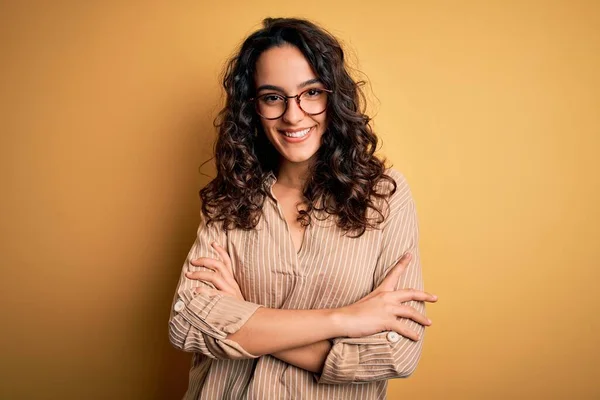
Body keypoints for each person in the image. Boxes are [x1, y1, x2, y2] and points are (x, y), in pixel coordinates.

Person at [168, 17, 438, 400]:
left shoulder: (385, 197)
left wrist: (243, 313)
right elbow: (187, 322)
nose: (293, 116)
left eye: (311, 92)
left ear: (334, 97)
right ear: (253, 108)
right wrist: (343, 320)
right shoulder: (227, 198)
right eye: (273, 97)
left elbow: (397, 353)